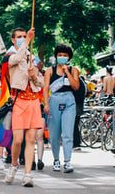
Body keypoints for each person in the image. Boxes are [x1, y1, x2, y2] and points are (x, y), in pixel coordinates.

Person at [4, 27, 43, 187]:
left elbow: (41, 84)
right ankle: (14, 165)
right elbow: (15, 59)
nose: (22, 38)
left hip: (33, 102)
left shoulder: (31, 57)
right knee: (18, 140)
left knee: (31, 140)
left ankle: (27, 175)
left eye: (24, 36)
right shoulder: (11, 55)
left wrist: (34, 75)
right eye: (19, 37)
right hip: (19, 101)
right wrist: (26, 42)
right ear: (13, 40)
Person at [44, 44, 80, 174]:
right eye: (60, 55)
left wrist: (67, 72)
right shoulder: (49, 70)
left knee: (67, 133)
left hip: (69, 101)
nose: (62, 57)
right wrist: (46, 104)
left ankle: (67, 161)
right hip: (54, 100)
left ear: (69, 57)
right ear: (56, 56)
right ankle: (56, 160)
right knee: (54, 135)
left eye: (65, 55)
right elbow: (46, 88)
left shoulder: (74, 70)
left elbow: (76, 86)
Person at [73, 75, 87, 151]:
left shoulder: (76, 82)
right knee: (75, 125)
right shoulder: (81, 82)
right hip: (79, 105)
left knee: (74, 125)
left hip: (75, 106)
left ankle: (76, 143)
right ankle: (77, 143)